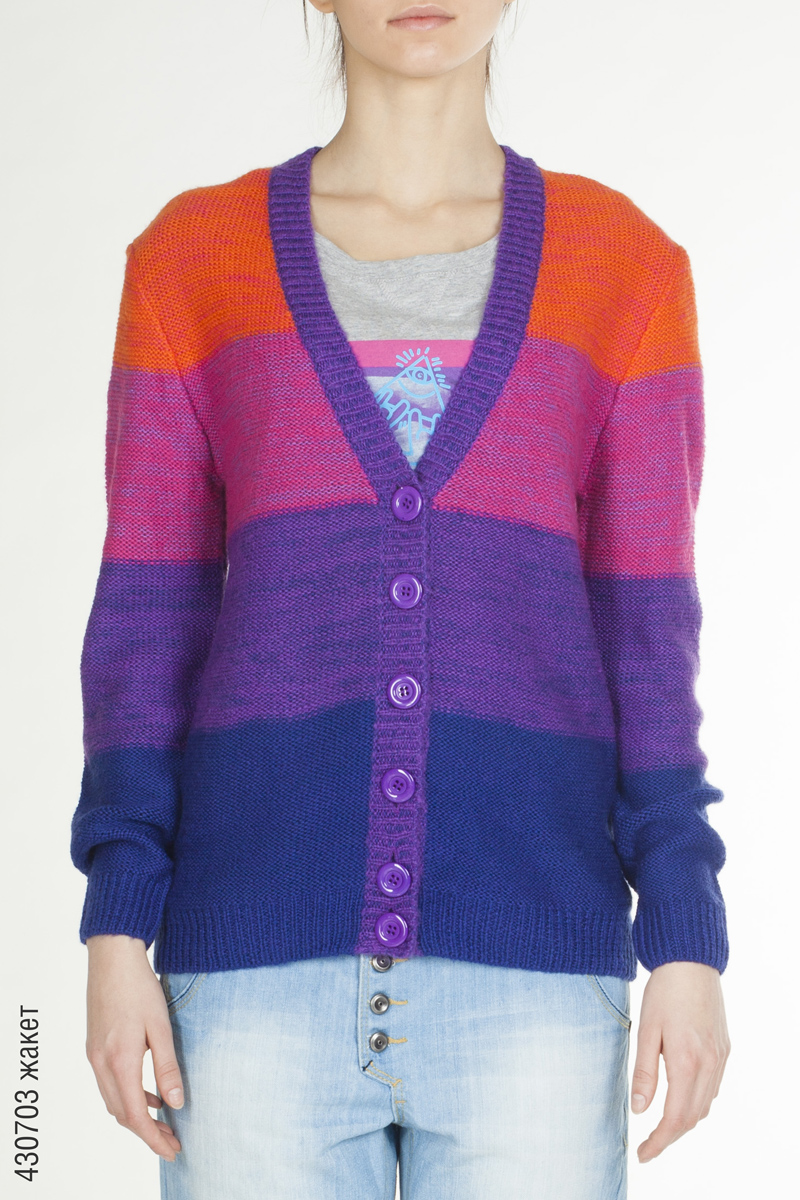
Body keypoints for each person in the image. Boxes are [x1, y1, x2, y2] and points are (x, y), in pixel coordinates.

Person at [71, 2, 731, 1197]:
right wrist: (117, 927)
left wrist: (684, 929)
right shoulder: (188, 264)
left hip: (531, 977)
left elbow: (646, 635)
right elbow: (145, 624)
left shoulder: (625, 271)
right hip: (252, 978)